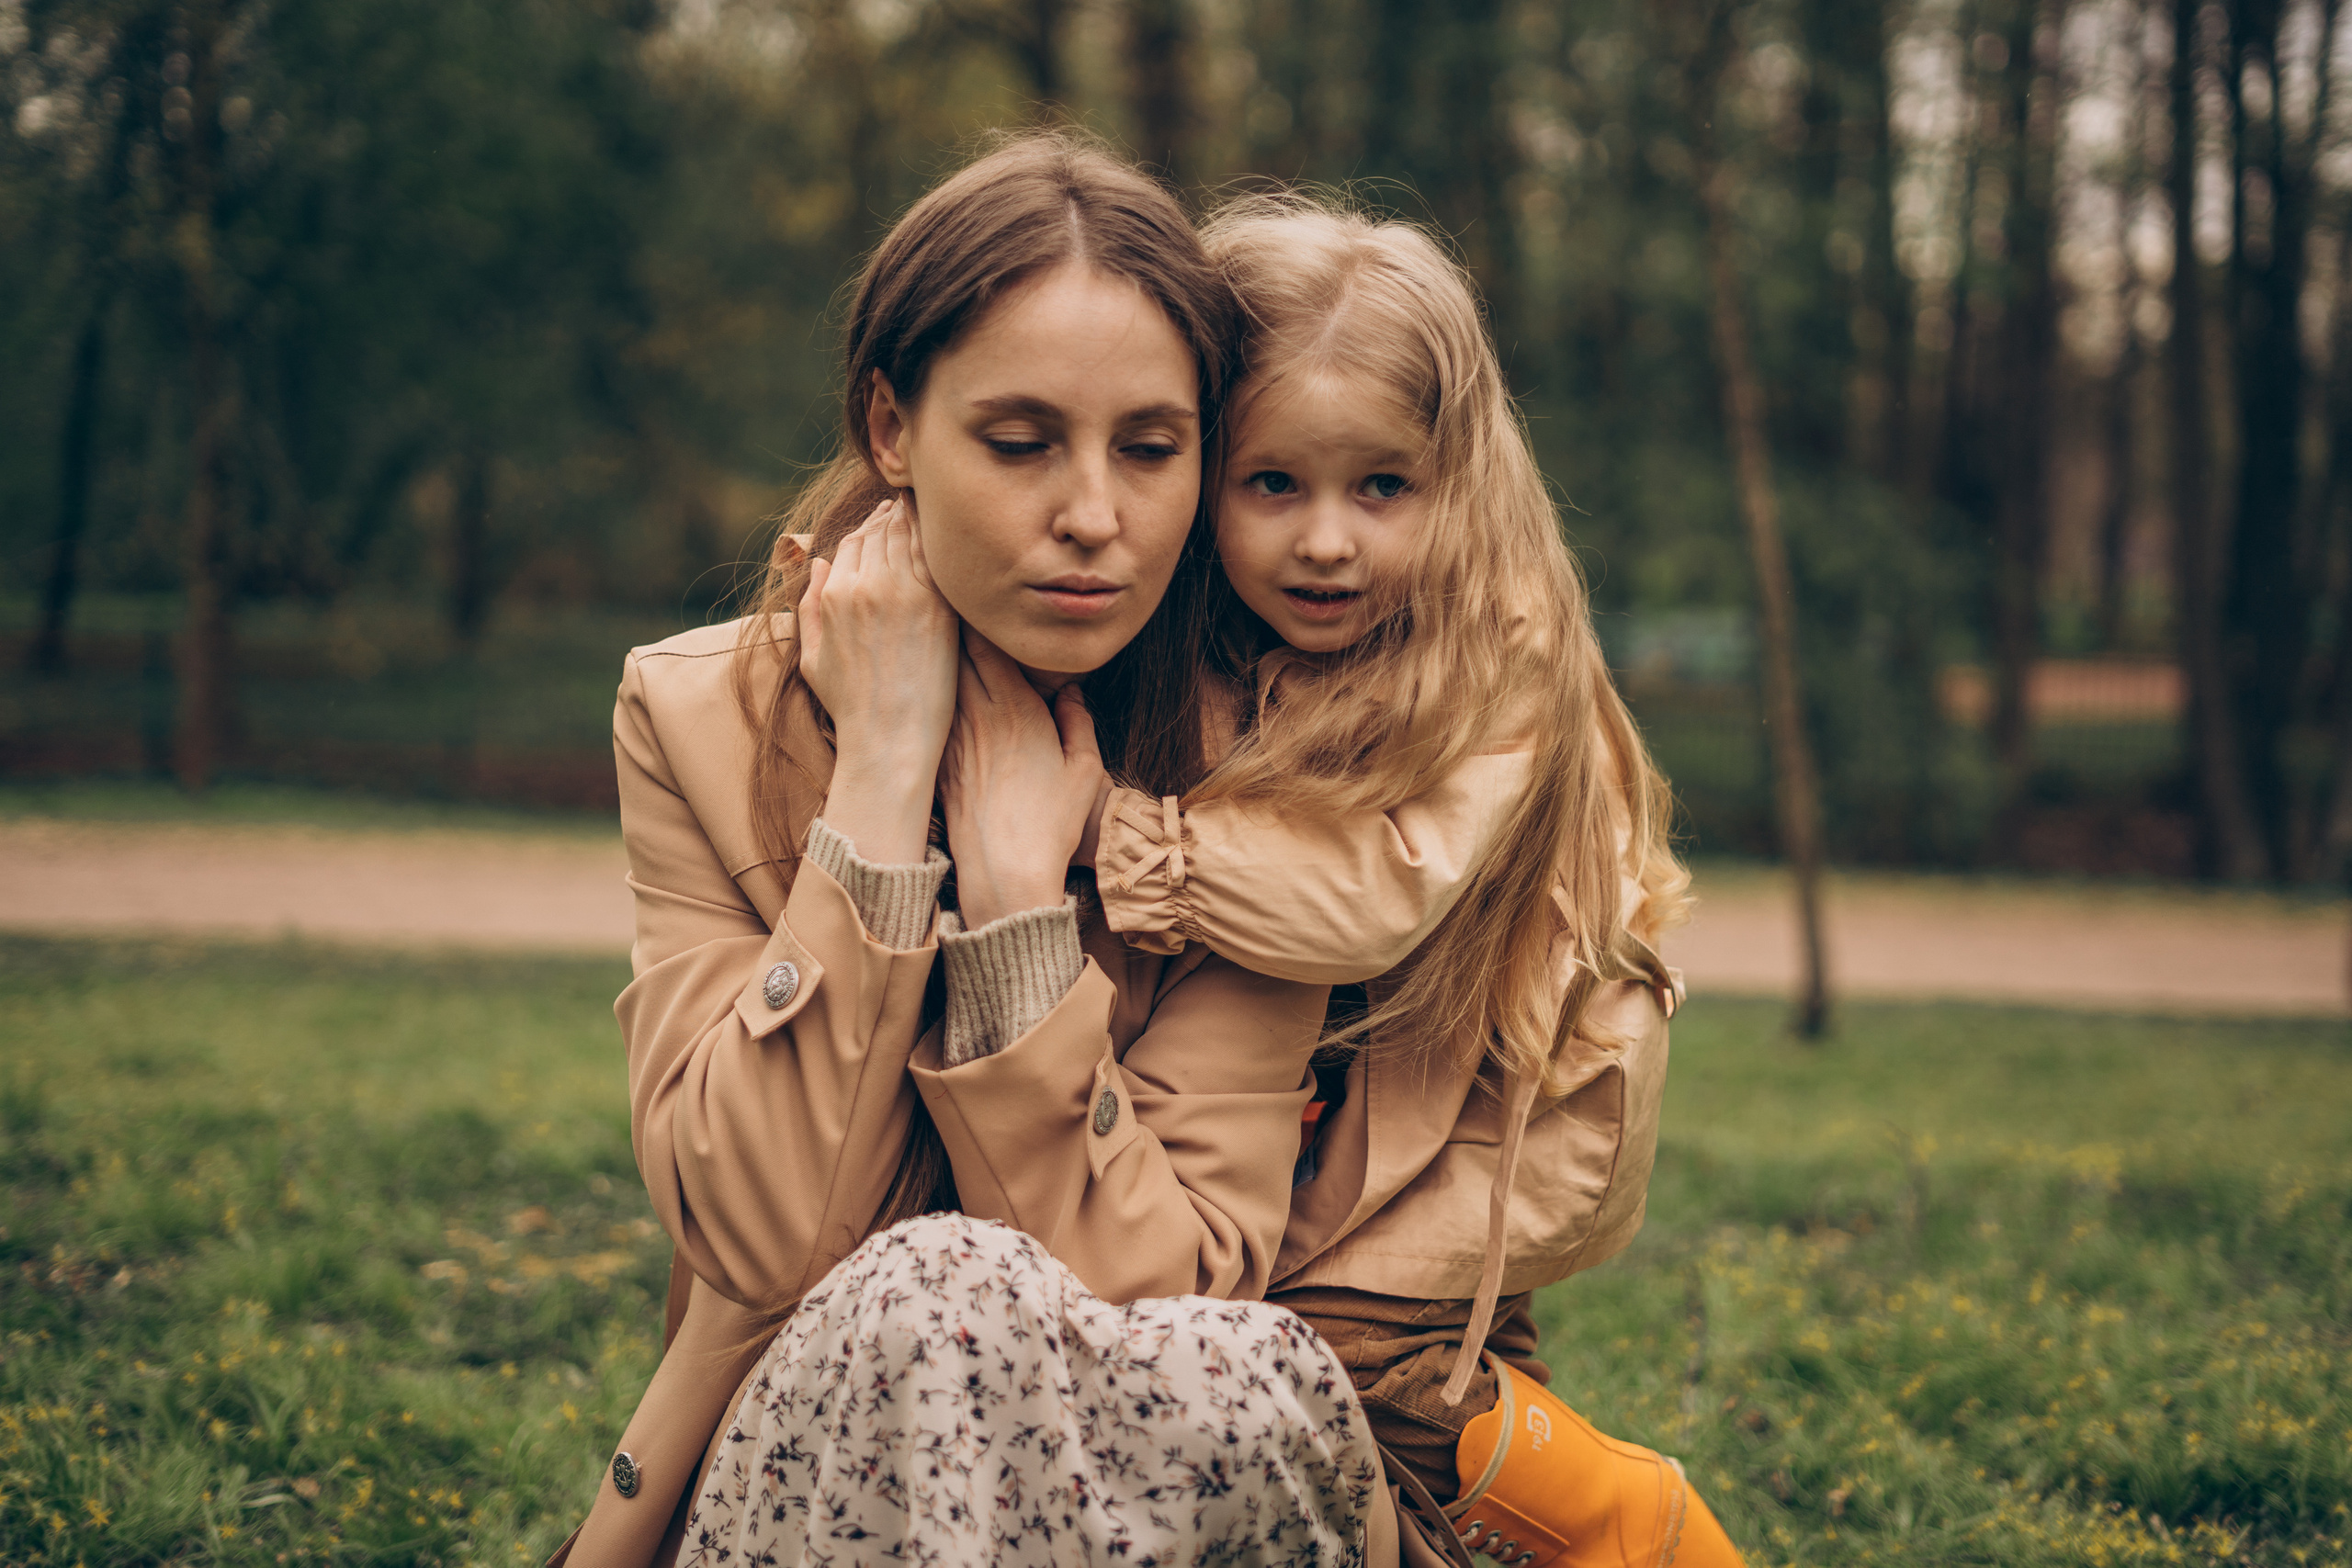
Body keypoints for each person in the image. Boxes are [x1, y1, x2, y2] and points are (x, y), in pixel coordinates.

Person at [552, 136, 1381, 1568]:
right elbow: (759, 1235)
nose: (1094, 516)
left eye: (1150, 448)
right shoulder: (697, 718)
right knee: (931, 1294)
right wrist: (878, 787)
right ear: (892, 428)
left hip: (1155, 1488)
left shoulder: (1271, 769)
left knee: (1093, 1325)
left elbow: (1168, 1296)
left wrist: (1014, 926)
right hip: (803, 1484)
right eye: (1019, 443)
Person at [1081, 195, 1745, 1567]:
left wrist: (1113, 840)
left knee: (1354, 1365)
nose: (1329, 541)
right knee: (1438, 1367)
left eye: (1382, 487)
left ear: (1461, 474)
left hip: (1516, 1094)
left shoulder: (1497, 641)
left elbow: (1365, 898)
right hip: (1386, 1087)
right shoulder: (1234, 632)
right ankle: (1520, 1522)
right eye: (1277, 486)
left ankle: (1636, 1523)